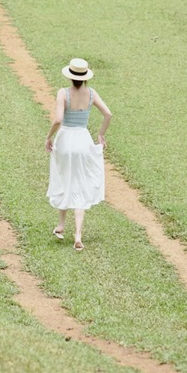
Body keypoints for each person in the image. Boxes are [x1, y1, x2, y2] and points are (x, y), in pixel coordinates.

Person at [45, 58, 112, 251]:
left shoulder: (63, 93)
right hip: (83, 140)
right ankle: (78, 235)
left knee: (65, 180)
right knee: (80, 185)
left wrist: (49, 137)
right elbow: (108, 114)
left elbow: (58, 119)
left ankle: (61, 225)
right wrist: (100, 134)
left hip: (65, 140)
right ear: (85, 77)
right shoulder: (91, 93)